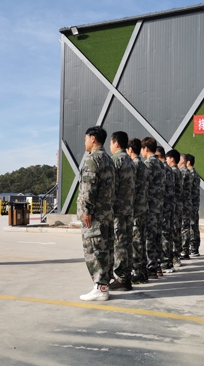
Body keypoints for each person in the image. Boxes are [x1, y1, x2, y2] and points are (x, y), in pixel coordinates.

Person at [77, 126, 115, 301]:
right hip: (107, 214)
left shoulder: (93, 159)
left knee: (94, 250)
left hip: (95, 216)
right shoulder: (108, 159)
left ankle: (100, 287)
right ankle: (103, 286)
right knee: (105, 250)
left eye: (86, 139)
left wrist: (86, 210)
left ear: (93, 139)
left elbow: (88, 187)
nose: (84, 142)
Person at [109, 131, 136, 291]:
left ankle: (120, 279)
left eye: (111, 143)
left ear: (116, 143)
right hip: (129, 208)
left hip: (118, 210)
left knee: (118, 244)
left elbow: (111, 186)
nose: (110, 147)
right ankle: (126, 277)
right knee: (126, 243)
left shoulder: (116, 160)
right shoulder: (130, 161)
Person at [141, 137, 165, 279]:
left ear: (146, 149)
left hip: (150, 206)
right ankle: (158, 267)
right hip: (159, 206)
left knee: (149, 238)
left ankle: (151, 269)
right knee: (156, 238)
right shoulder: (162, 165)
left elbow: (145, 185)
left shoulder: (148, 164)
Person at [127, 138, 150, 284]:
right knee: (141, 240)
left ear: (130, 150)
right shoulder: (143, 166)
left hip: (135, 209)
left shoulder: (133, 165)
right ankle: (143, 271)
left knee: (136, 241)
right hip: (143, 207)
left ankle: (137, 272)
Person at [156, 146, 175, 273]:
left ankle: (165, 262)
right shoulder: (169, 169)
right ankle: (168, 261)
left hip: (163, 206)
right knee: (167, 233)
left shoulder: (162, 168)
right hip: (169, 205)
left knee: (163, 234)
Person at [166, 149, 183, 269]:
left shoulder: (172, 171)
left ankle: (175, 257)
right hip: (178, 204)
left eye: (167, 158)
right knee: (176, 231)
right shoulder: (179, 171)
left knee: (173, 231)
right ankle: (176, 256)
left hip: (173, 204)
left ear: (172, 159)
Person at [178, 153, 192, 260]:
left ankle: (184, 250)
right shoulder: (188, 172)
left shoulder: (183, 172)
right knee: (185, 227)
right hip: (187, 203)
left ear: (182, 161)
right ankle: (185, 250)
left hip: (183, 203)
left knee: (184, 228)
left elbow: (180, 188)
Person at [186, 154, 201, 257]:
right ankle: (195, 248)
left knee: (191, 226)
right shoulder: (195, 173)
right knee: (194, 225)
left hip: (191, 203)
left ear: (188, 162)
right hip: (194, 203)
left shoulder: (190, 174)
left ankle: (193, 248)